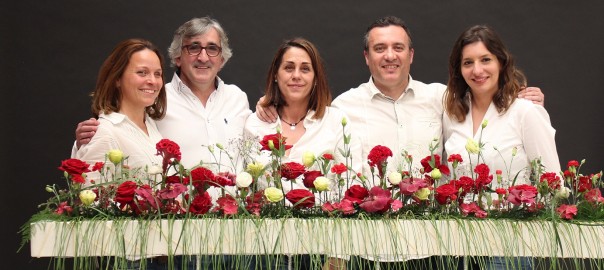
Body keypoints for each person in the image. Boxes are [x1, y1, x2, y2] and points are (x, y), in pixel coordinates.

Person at [255, 16, 546, 270]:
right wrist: (267, 104)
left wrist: (523, 100)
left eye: (398, 47)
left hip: (432, 249)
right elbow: (307, 133)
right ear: (367, 57)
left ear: (411, 55)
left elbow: (486, 104)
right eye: (379, 48)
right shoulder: (342, 108)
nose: (389, 56)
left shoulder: (442, 100)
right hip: (364, 250)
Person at [74, 17, 252, 270]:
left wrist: (270, 106)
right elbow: (109, 147)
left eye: (212, 48)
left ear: (222, 58)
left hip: (233, 241)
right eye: (193, 47)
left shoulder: (238, 99)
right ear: (178, 57)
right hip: (173, 246)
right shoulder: (158, 99)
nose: (203, 57)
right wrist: (84, 139)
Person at [442, 25, 561, 270]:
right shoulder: (452, 114)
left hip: (509, 247)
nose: (477, 70)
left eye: (486, 59)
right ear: (458, 69)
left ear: (501, 62)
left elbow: (553, 183)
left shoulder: (526, 111)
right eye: (468, 62)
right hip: (458, 246)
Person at [245, 37, 361, 270]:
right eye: (289, 68)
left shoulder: (336, 122)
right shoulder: (255, 125)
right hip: (265, 251)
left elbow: (351, 187)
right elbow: (247, 188)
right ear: (276, 76)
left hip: (321, 250)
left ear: (316, 78)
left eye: (305, 69)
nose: (296, 75)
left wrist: (338, 257)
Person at [75, 38, 166, 185]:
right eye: (142, 72)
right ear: (117, 78)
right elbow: (91, 202)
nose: (153, 81)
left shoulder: (153, 126)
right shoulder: (105, 132)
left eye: (157, 74)